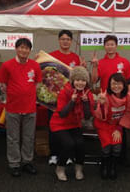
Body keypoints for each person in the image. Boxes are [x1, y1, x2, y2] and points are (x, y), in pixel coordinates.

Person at [0, 38, 41, 177]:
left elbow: (37, 84)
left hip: (30, 108)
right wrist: (15, 94)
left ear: (30, 50)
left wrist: (27, 94)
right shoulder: (6, 65)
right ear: (16, 49)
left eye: (26, 48)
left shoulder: (35, 65)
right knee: (13, 138)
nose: (24, 50)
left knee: (29, 137)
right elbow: (3, 85)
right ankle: (14, 164)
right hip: (12, 107)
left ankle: (27, 162)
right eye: (21, 47)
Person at [91, 35, 130, 166]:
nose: (110, 46)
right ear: (104, 46)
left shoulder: (124, 62)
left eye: (112, 44)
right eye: (107, 44)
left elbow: (129, 81)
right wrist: (94, 66)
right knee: (106, 129)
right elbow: (93, 80)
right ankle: (106, 158)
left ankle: (121, 159)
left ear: (116, 45)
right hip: (106, 101)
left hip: (122, 100)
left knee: (121, 129)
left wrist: (128, 97)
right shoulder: (101, 63)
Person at [47, 30, 86, 166]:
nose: (65, 41)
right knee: (54, 129)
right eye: (63, 39)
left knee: (68, 129)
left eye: (68, 39)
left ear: (71, 41)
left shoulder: (76, 58)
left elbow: (80, 78)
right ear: (59, 40)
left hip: (71, 100)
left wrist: (83, 67)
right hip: (52, 99)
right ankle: (53, 154)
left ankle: (67, 156)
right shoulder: (51, 56)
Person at [49, 66, 94, 181]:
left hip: (74, 124)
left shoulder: (87, 93)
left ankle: (79, 169)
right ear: (73, 81)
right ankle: (60, 168)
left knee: (80, 144)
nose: (80, 83)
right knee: (69, 144)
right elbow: (62, 114)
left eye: (83, 80)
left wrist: (85, 103)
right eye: (78, 80)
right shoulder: (65, 91)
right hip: (59, 123)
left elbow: (88, 116)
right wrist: (72, 101)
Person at [93, 73, 130, 180]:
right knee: (107, 147)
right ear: (109, 85)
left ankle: (113, 167)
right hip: (104, 124)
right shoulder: (105, 96)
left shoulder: (128, 97)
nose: (116, 86)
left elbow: (128, 113)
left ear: (124, 85)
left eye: (119, 83)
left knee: (117, 146)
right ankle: (104, 166)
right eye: (113, 84)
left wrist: (119, 128)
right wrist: (101, 104)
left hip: (117, 125)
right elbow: (100, 117)